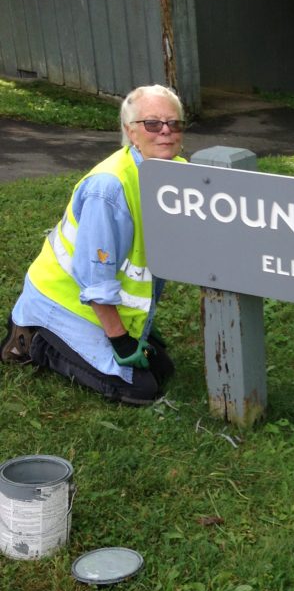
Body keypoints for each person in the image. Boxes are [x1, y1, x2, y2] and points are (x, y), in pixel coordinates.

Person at [0, 84, 186, 406]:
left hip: (94, 303)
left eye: (174, 123)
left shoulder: (175, 172)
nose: (166, 131)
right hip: (64, 303)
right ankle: (33, 340)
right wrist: (121, 341)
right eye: (153, 124)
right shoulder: (109, 189)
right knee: (140, 389)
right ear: (131, 131)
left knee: (163, 368)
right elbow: (95, 279)